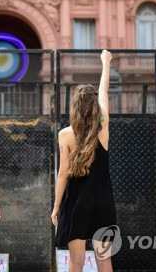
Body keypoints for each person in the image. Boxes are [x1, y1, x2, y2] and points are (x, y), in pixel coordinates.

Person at [52, 50, 116, 272]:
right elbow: (104, 89)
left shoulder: (65, 134)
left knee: (76, 263)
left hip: (77, 204)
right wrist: (105, 63)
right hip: (103, 201)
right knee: (104, 260)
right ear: (95, 107)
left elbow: (62, 174)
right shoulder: (103, 126)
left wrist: (56, 206)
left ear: (75, 108)